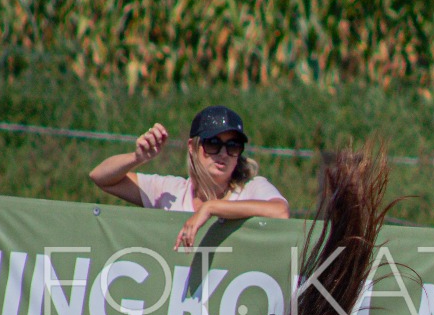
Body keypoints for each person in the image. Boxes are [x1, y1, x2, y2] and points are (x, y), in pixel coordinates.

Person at [90, 105, 290, 248]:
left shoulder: (251, 187)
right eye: (213, 143)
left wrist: (211, 208)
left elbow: (280, 211)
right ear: (192, 148)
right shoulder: (171, 191)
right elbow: (100, 177)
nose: (223, 153)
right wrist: (137, 157)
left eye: (233, 146)